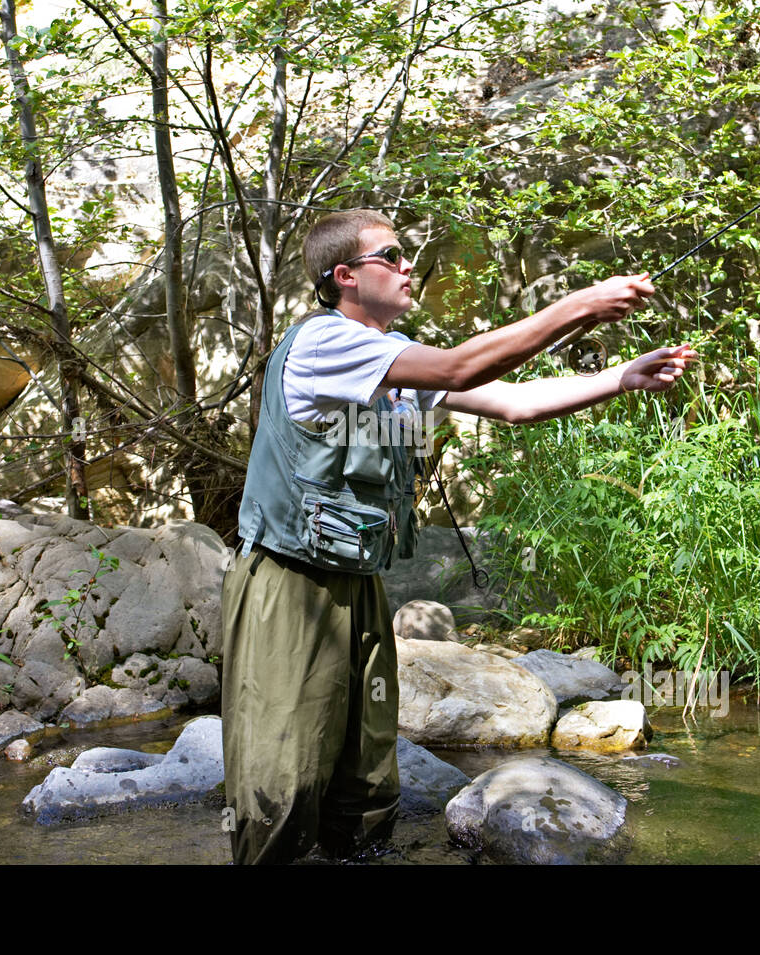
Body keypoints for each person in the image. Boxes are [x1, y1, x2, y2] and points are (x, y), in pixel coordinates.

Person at [220, 208, 698, 864]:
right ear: (345, 277)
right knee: (283, 777)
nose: (408, 263)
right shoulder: (325, 343)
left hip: (358, 587)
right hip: (288, 585)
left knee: (365, 773)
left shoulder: (389, 362)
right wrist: (577, 305)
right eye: (390, 255)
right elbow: (458, 367)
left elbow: (514, 402)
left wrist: (620, 378)